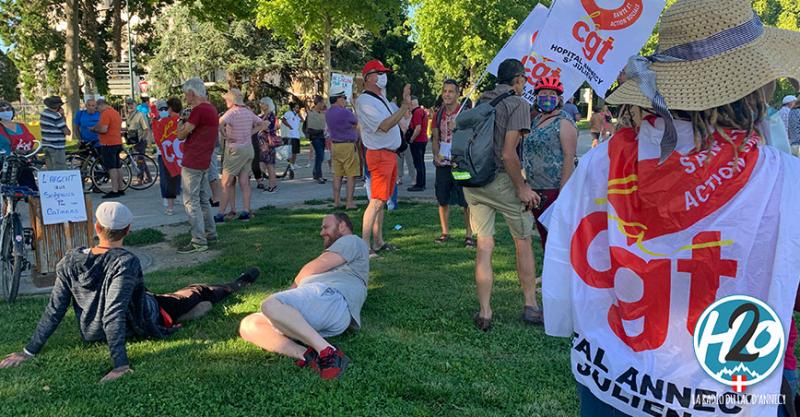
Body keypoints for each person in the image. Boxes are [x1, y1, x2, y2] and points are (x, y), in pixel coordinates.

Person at [541, 1, 800, 415]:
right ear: (755, 85)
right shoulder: (785, 178)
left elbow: (563, 252)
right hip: (726, 395)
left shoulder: (604, 160)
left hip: (614, 386)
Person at [0, 202, 259, 383]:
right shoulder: (125, 262)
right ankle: (238, 284)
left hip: (93, 331)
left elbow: (54, 309)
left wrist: (28, 351)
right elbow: (114, 313)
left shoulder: (69, 260)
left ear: (97, 228)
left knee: (177, 297)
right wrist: (121, 364)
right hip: (144, 315)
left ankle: (203, 303)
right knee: (198, 291)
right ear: (128, 230)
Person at [239, 213, 368, 380]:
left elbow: (314, 267)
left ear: (342, 226)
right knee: (249, 325)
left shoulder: (352, 240)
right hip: (321, 311)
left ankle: (329, 353)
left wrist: (288, 293)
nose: (322, 232)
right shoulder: (350, 253)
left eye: (325, 227)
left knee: (270, 304)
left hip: (330, 297)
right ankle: (307, 355)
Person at [463, 58, 542, 331]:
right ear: (518, 79)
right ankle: (531, 305)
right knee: (523, 241)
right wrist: (522, 188)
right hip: (498, 180)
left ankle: (485, 312)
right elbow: (508, 153)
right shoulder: (517, 103)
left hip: (474, 182)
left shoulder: (482, 101)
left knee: (484, 246)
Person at [355, 59, 411, 257]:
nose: (383, 76)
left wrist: (405, 111)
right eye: (379, 73)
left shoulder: (381, 99)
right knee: (376, 201)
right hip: (379, 155)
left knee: (382, 200)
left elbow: (395, 123)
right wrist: (404, 107)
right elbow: (385, 125)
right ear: (369, 77)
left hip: (388, 154)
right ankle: (365, 245)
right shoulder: (364, 101)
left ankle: (378, 242)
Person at [523, 76, 578, 253]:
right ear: (536, 98)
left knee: (557, 238)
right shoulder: (535, 120)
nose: (547, 97)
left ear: (559, 98)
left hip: (554, 190)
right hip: (535, 190)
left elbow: (569, 157)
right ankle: (549, 275)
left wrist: (564, 192)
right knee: (545, 236)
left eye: (551, 94)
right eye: (543, 94)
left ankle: (560, 277)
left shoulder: (563, 122)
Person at [176, 77, 218, 254]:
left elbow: (181, 135)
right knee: (202, 198)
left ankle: (198, 240)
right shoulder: (211, 109)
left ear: (192, 93)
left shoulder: (198, 111)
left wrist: (180, 122)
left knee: (190, 200)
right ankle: (210, 233)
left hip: (193, 159)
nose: (186, 98)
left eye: (186, 94)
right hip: (204, 159)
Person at [431, 80, 473, 247]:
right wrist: (435, 155)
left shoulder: (465, 113)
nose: (447, 94)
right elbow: (435, 138)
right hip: (443, 162)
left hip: (460, 162)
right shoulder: (438, 114)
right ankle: (444, 232)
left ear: (457, 94)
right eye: (445, 91)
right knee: (442, 198)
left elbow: (472, 136)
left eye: (451, 92)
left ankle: (469, 234)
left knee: (466, 199)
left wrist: (458, 128)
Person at [216, 88, 264, 223]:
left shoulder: (232, 112)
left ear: (231, 100)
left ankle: (220, 214)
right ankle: (246, 211)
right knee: (244, 181)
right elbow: (263, 123)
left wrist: (225, 136)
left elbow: (219, 123)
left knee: (225, 182)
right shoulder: (248, 112)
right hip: (248, 149)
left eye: (226, 99)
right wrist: (251, 132)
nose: (225, 101)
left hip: (235, 150)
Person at [326, 88, 360, 209]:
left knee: (337, 174)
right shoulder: (345, 112)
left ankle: (336, 201)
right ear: (338, 99)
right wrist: (355, 107)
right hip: (348, 145)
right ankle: (349, 202)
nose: (345, 100)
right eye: (344, 98)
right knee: (351, 174)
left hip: (335, 145)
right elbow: (357, 121)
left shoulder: (328, 113)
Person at [152, 98, 182, 216]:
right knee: (175, 176)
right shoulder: (181, 120)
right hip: (175, 153)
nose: (164, 111)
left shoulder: (164, 121)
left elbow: (157, 133)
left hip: (167, 154)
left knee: (168, 178)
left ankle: (170, 204)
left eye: (166, 108)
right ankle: (176, 196)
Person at [91, 97, 125, 198]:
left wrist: (94, 130)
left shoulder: (105, 113)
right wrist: (96, 127)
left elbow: (104, 129)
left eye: (97, 108)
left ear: (101, 105)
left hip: (108, 143)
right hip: (117, 142)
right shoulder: (115, 112)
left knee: (112, 168)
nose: (97, 110)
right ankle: (121, 188)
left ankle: (114, 190)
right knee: (118, 166)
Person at [0, 100, 37, 192]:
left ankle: (35, 205)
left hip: (21, 162)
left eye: (8, 109)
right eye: (2, 110)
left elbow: (30, 141)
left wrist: (30, 152)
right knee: (5, 193)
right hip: (4, 164)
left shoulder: (21, 126)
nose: (6, 112)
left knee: (31, 192)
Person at [125, 97, 154, 187]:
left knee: (139, 160)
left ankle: (140, 179)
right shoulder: (128, 115)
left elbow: (146, 129)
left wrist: (143, 139)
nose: (130, 106)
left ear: (136, 105)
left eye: (131, 104)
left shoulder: (140, 115)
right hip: (132, 141)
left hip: (140, 140)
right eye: (128, 104)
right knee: (140, 160)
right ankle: (149, 177)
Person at [255, 97, 280, 193]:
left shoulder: (270, 115)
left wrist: (260, 126)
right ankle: (268, 183)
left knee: (270, 164)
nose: (260, 105)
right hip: (261, 143)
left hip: (268, 142)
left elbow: (268, 127)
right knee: (263, 163)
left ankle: (272, 185)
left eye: (262, 103)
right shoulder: (262, 115)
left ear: (267, 105)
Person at [39, 96, 70, 170]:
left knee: (51, 168)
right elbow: (67, 132)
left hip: (46, 144)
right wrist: (62, 116)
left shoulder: (44, 113)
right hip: (56, 147)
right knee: (60, 167)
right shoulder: (56, 116)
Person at [407, 96, 428, 192]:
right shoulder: (422, 111)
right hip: (423, 140)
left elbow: (418, 128)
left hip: (418, 141)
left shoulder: (416, 112)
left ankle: (420, 184)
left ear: (412, 103)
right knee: (421, 163)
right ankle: (422, 183)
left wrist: (411, 139)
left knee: (418, 163)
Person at [306, 95, 328, 184]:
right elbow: (310, 126)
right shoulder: (311, 113)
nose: (323, 104)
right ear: (318, 103)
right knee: (320, 155)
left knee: (319, 156)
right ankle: (319, 176)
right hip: (315, 137)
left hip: (322, 136)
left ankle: (316, 173)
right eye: (322, 102)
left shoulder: (322, 113)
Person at [281, 102, 303, 173]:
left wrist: (299, 115)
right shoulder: (289, 113)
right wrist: (289, 126)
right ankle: (291, 164)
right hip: (290, 135)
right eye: (297, 107)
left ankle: (293, 163)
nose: (298, 109)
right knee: (291, 151)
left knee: (295, 151)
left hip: (296, 135)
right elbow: (283, 120)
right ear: (293, 108)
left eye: (298, 108)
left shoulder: (297, 115)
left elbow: (302, 120)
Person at [397, 108, 415, 185]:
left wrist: (403, 128)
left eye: (405, 111)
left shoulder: (412, 118)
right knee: (399, 162)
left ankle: (413, 178)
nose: (404, 113)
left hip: (408, 143)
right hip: (400, 143)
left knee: (410, 161)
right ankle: (399, 178)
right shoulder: (400, 119)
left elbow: (406, 129)